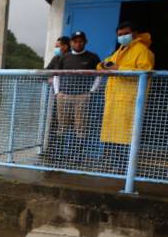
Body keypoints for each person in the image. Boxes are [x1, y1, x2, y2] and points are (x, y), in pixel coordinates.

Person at [98, 22, 155, 173]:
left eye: (125, 34)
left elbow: (145, 71)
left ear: (134, 33)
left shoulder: (142, 50)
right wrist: (105, 65)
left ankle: (126, 171)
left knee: (128, 137)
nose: (122, 37)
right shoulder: (121, 50)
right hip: (114, 100)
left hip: (130, 101)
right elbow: (102, 65)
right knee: (113, 136)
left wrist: (119, 68)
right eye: (119, 35)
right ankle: (112, 167)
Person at [50, 31, 102, 165]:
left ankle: (77, 156)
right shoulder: (64, 57)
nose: (78, 43)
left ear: (85, 42)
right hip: (64, 95)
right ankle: (59, 154)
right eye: (75, 41)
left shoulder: (93, 57)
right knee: (62, 125)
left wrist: (91, 91)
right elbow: (57, 75)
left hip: (82, 96)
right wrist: (57, 92)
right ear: (71, 43)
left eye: (81, 41)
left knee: (81, 126)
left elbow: (99, 74)